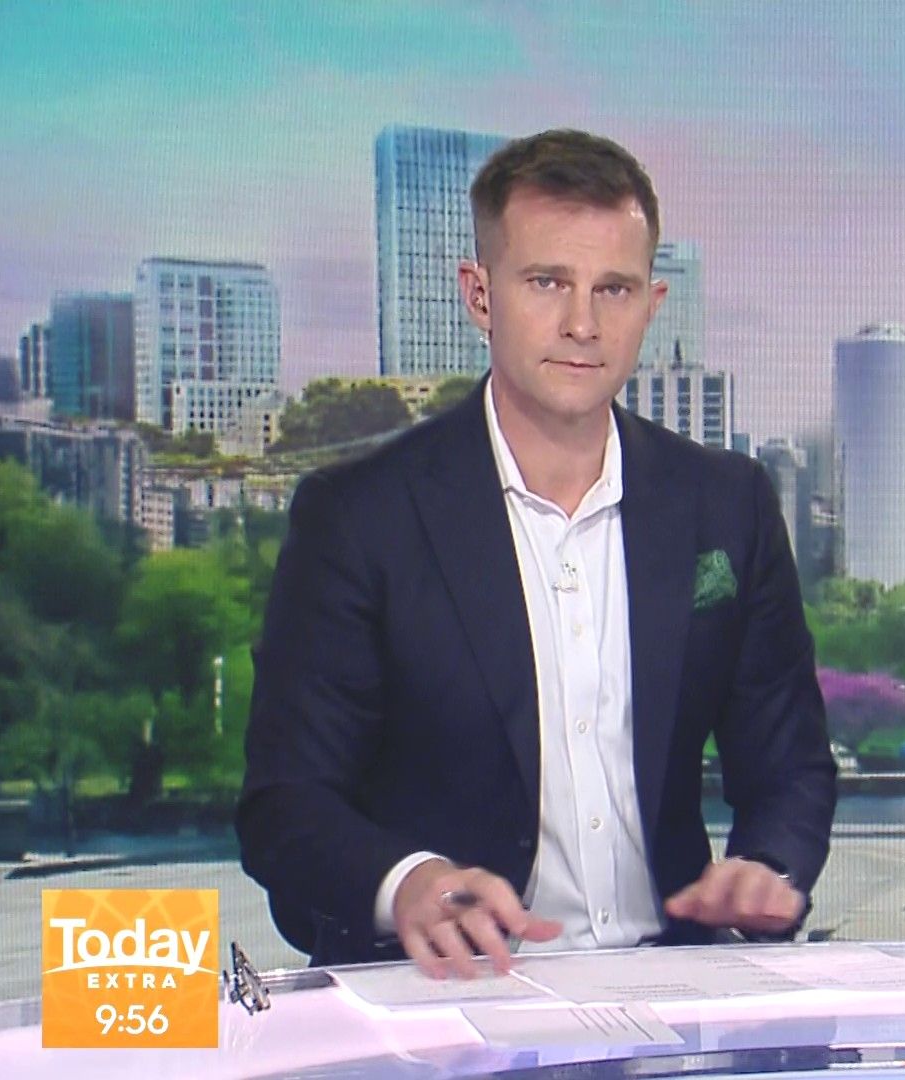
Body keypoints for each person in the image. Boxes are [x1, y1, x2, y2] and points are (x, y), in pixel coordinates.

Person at [238, 129, 837, 977]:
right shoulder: (359, 518)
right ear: (480, 295)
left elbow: (790, 766)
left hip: (678, 991)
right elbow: (287, 804)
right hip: (445, 999)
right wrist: (409, 884)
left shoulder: (727, 504)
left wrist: (766, 869)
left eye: (614, 289)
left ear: (652, 304)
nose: (582, 324)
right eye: (548, 282)